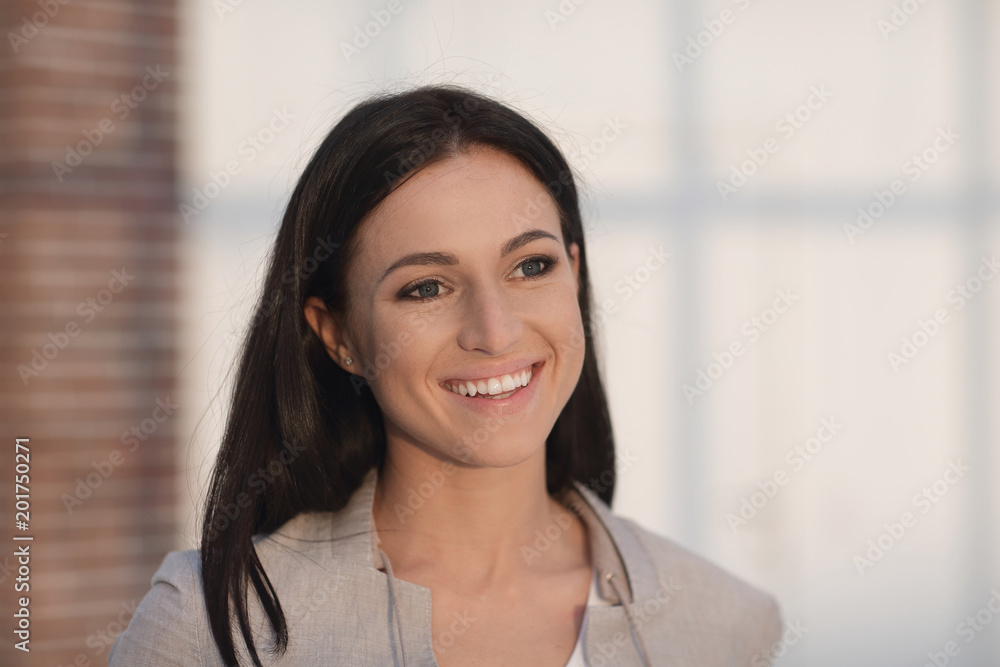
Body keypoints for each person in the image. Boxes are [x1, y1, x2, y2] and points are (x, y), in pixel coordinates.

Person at [109, 84, 783, 666]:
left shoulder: (724, 624)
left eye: (531, 266)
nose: (494, 331)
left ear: (575, 273)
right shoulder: (208, 629)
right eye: (426, 287)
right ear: (337, 334)